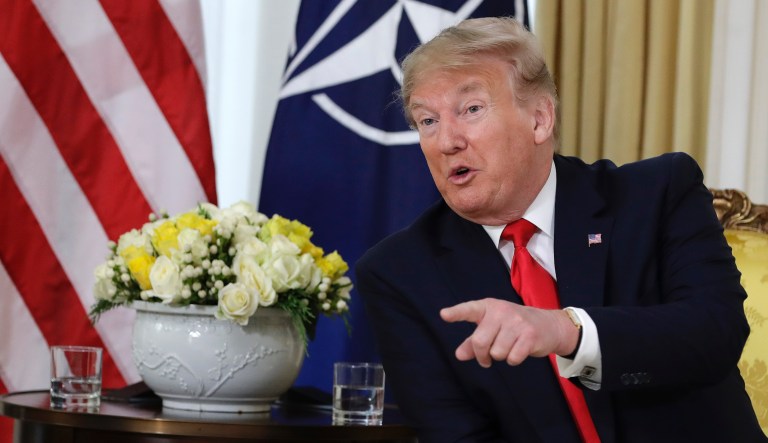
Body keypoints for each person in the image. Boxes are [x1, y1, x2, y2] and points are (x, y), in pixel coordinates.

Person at [355, 16, 766, 443]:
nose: (446, 142)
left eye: (471, 109)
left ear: (540, 119)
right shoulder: (400, 273)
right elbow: (455, 434)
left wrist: (567, 331)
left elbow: (714, 333)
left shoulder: (655, 195)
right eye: (427, 121)